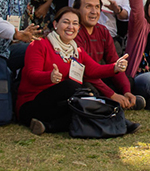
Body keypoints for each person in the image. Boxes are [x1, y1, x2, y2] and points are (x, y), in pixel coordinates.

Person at [16, 7, 138, 135]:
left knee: (81, 108)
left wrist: (115, 67)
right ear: (55, 24)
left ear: (79, 28)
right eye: (66, 22)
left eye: (75, 23)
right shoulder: (39, 45)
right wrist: (50, 77)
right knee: (72, 87)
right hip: (32, 105)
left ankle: (47, 127)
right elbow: (32, 75)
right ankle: (121, 122)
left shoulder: (77, 51)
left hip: (58, 106)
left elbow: (93, 70)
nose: (70, 27)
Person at [73, 0, 144, 108]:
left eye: (97, 7)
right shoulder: (75, 32)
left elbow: (114, 63)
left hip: (101, 76)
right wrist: (112, 95)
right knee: (86, 86)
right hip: (84, 77)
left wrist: (126, 91)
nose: (93, 11)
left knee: (127, 80)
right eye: (88, 7)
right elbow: (86, 72)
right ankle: (113, 102)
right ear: (77, 10)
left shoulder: (103, 31)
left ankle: (126, 99)